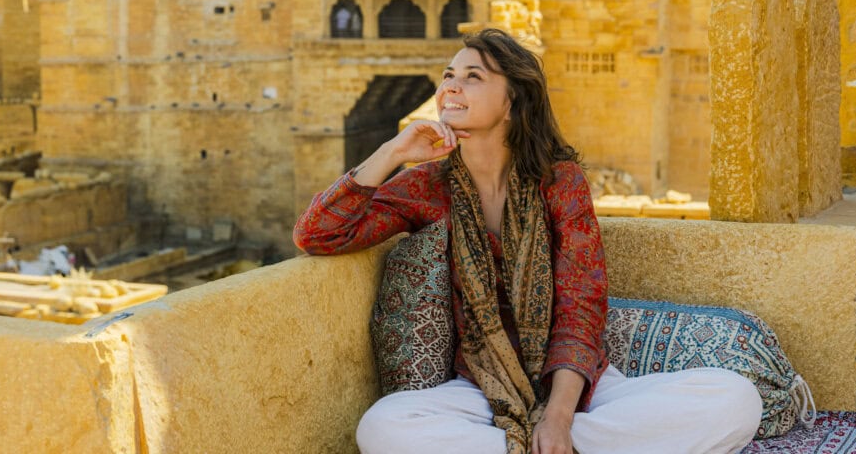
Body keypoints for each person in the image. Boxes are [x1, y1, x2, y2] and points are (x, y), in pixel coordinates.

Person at [294, 28, 762, 454]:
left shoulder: (559, 183)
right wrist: (393, 152)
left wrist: (558, 419)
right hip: (480, 390)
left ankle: (549, 445)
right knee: (384, 426)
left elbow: (582, 306)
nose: (450, 87)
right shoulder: (427, 187)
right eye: (447, 76)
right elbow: (318, 233)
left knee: (735, 398)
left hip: (577, 392)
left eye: (472, 76)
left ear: (513, 100)